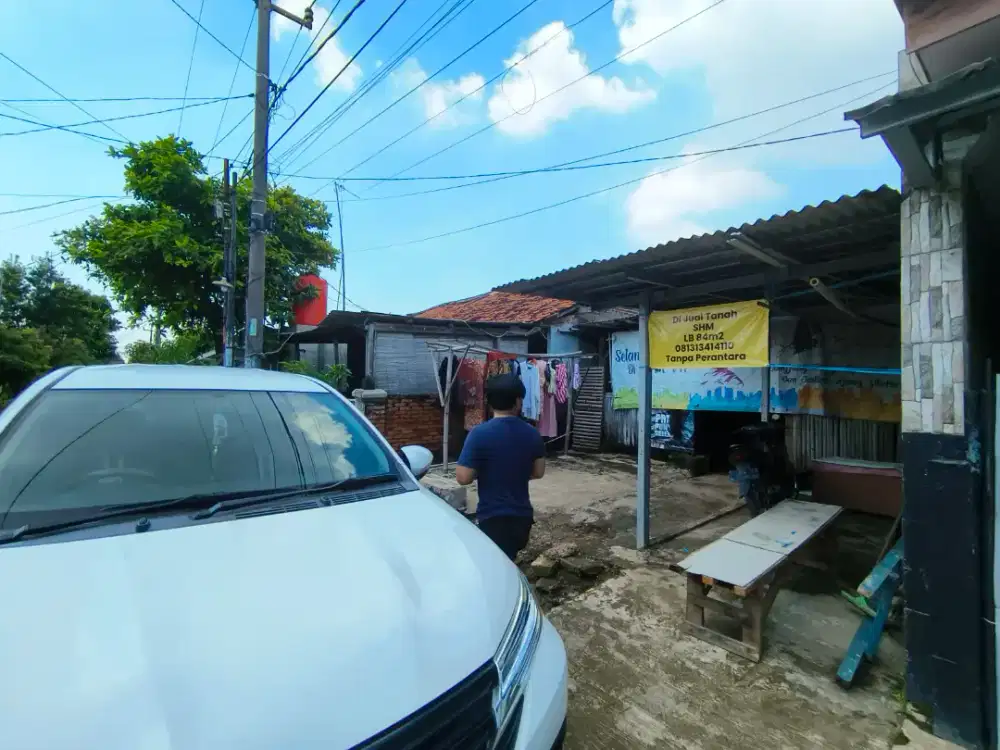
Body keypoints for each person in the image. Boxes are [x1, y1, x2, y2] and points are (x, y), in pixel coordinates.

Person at [455, 372, 545, 561]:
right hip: (522, 517)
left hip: (492, 517)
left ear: (489, 402)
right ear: (518, 402)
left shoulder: (478, 434)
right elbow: (538, 472)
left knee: (495, 564)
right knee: (508, 559)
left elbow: (463, 477)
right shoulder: (532, 433)